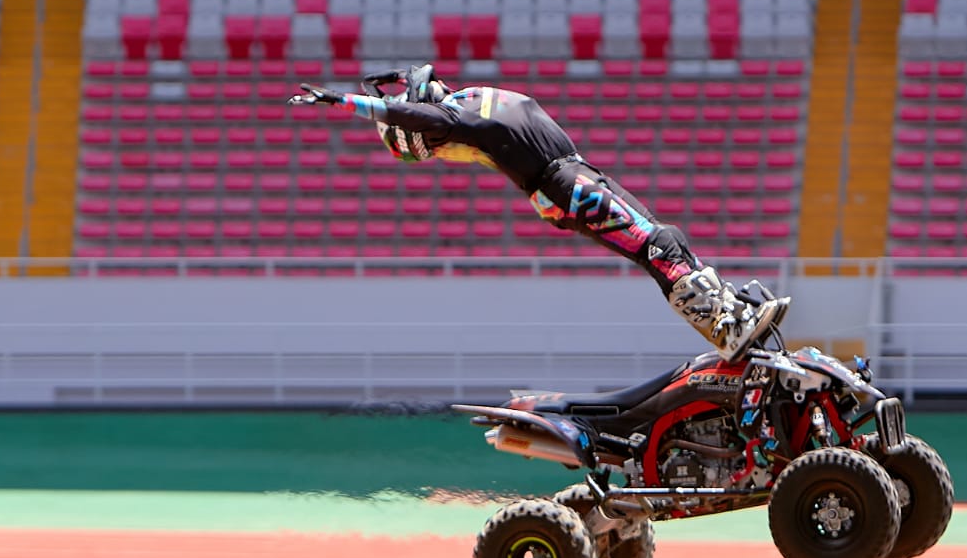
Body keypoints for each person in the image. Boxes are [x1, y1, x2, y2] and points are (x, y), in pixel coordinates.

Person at [290, 64, 788, 359]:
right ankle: (725, 328)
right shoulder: (457, 115)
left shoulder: (461, 107)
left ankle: (730, 314)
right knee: (653, 244)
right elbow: (410, 109)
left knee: (663, 237)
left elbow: (411, 95)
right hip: (562, 184)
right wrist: (348, 102)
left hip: (570, 176)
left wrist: (363, 91)